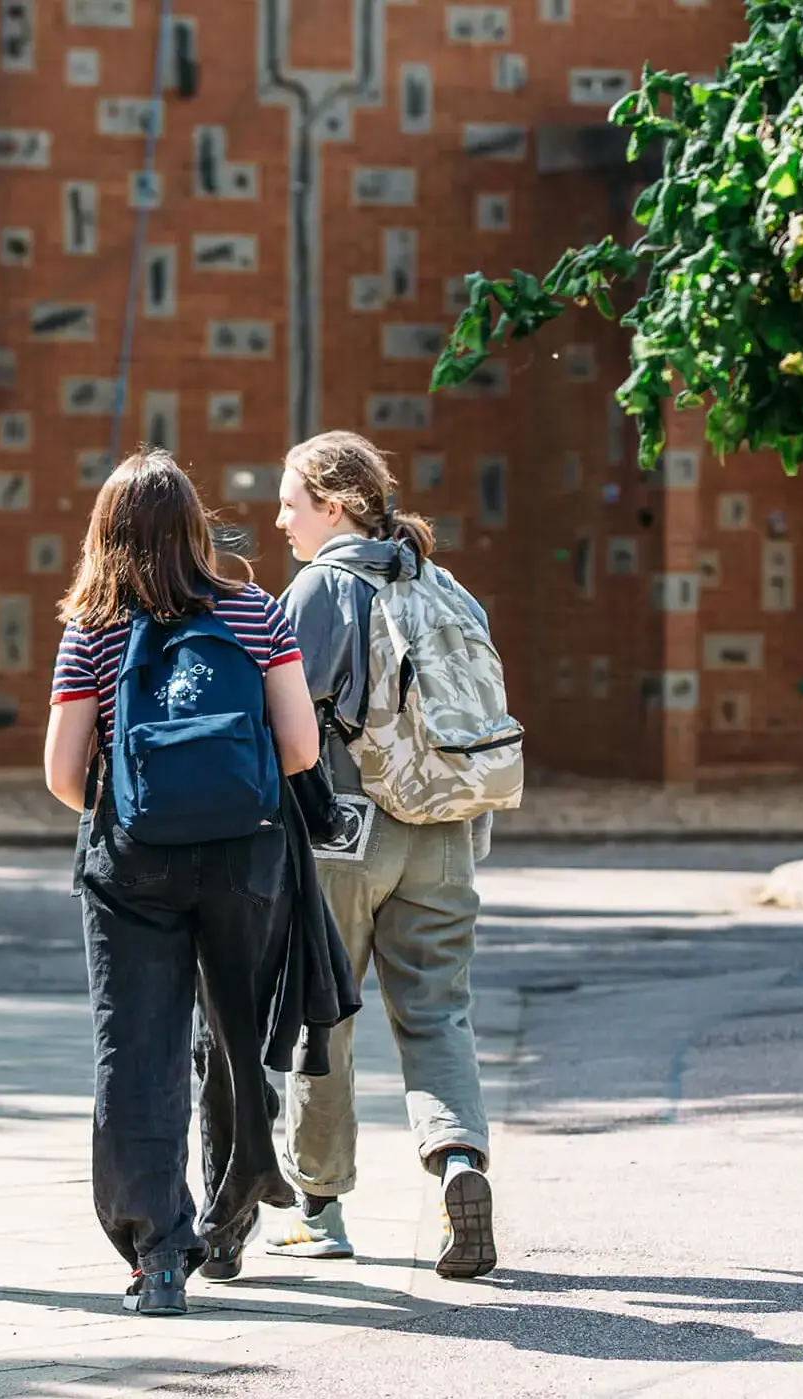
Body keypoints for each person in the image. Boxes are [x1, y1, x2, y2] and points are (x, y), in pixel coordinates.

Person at [44, 448, 321, 1317]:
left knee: (136, 1046)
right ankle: (235, 1206)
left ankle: (159, 1252)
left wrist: (124, 791)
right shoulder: (254, 609)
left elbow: (59, 772)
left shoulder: (92, 624)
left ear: (106, 531)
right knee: (236, 1033)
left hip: (132, 859)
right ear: (197, 527)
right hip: (244, 854)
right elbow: (303, 749)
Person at [268, 429, 502, 1279]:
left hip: (345, 828)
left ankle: (319, 1206)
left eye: (292, 501)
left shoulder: (318, 589)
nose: (281, 517)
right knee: (439, 1012)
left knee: (321, 1013)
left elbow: (285, 726)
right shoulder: (446, 586)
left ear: (334, 506)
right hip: (445, 831)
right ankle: (458, 1163)